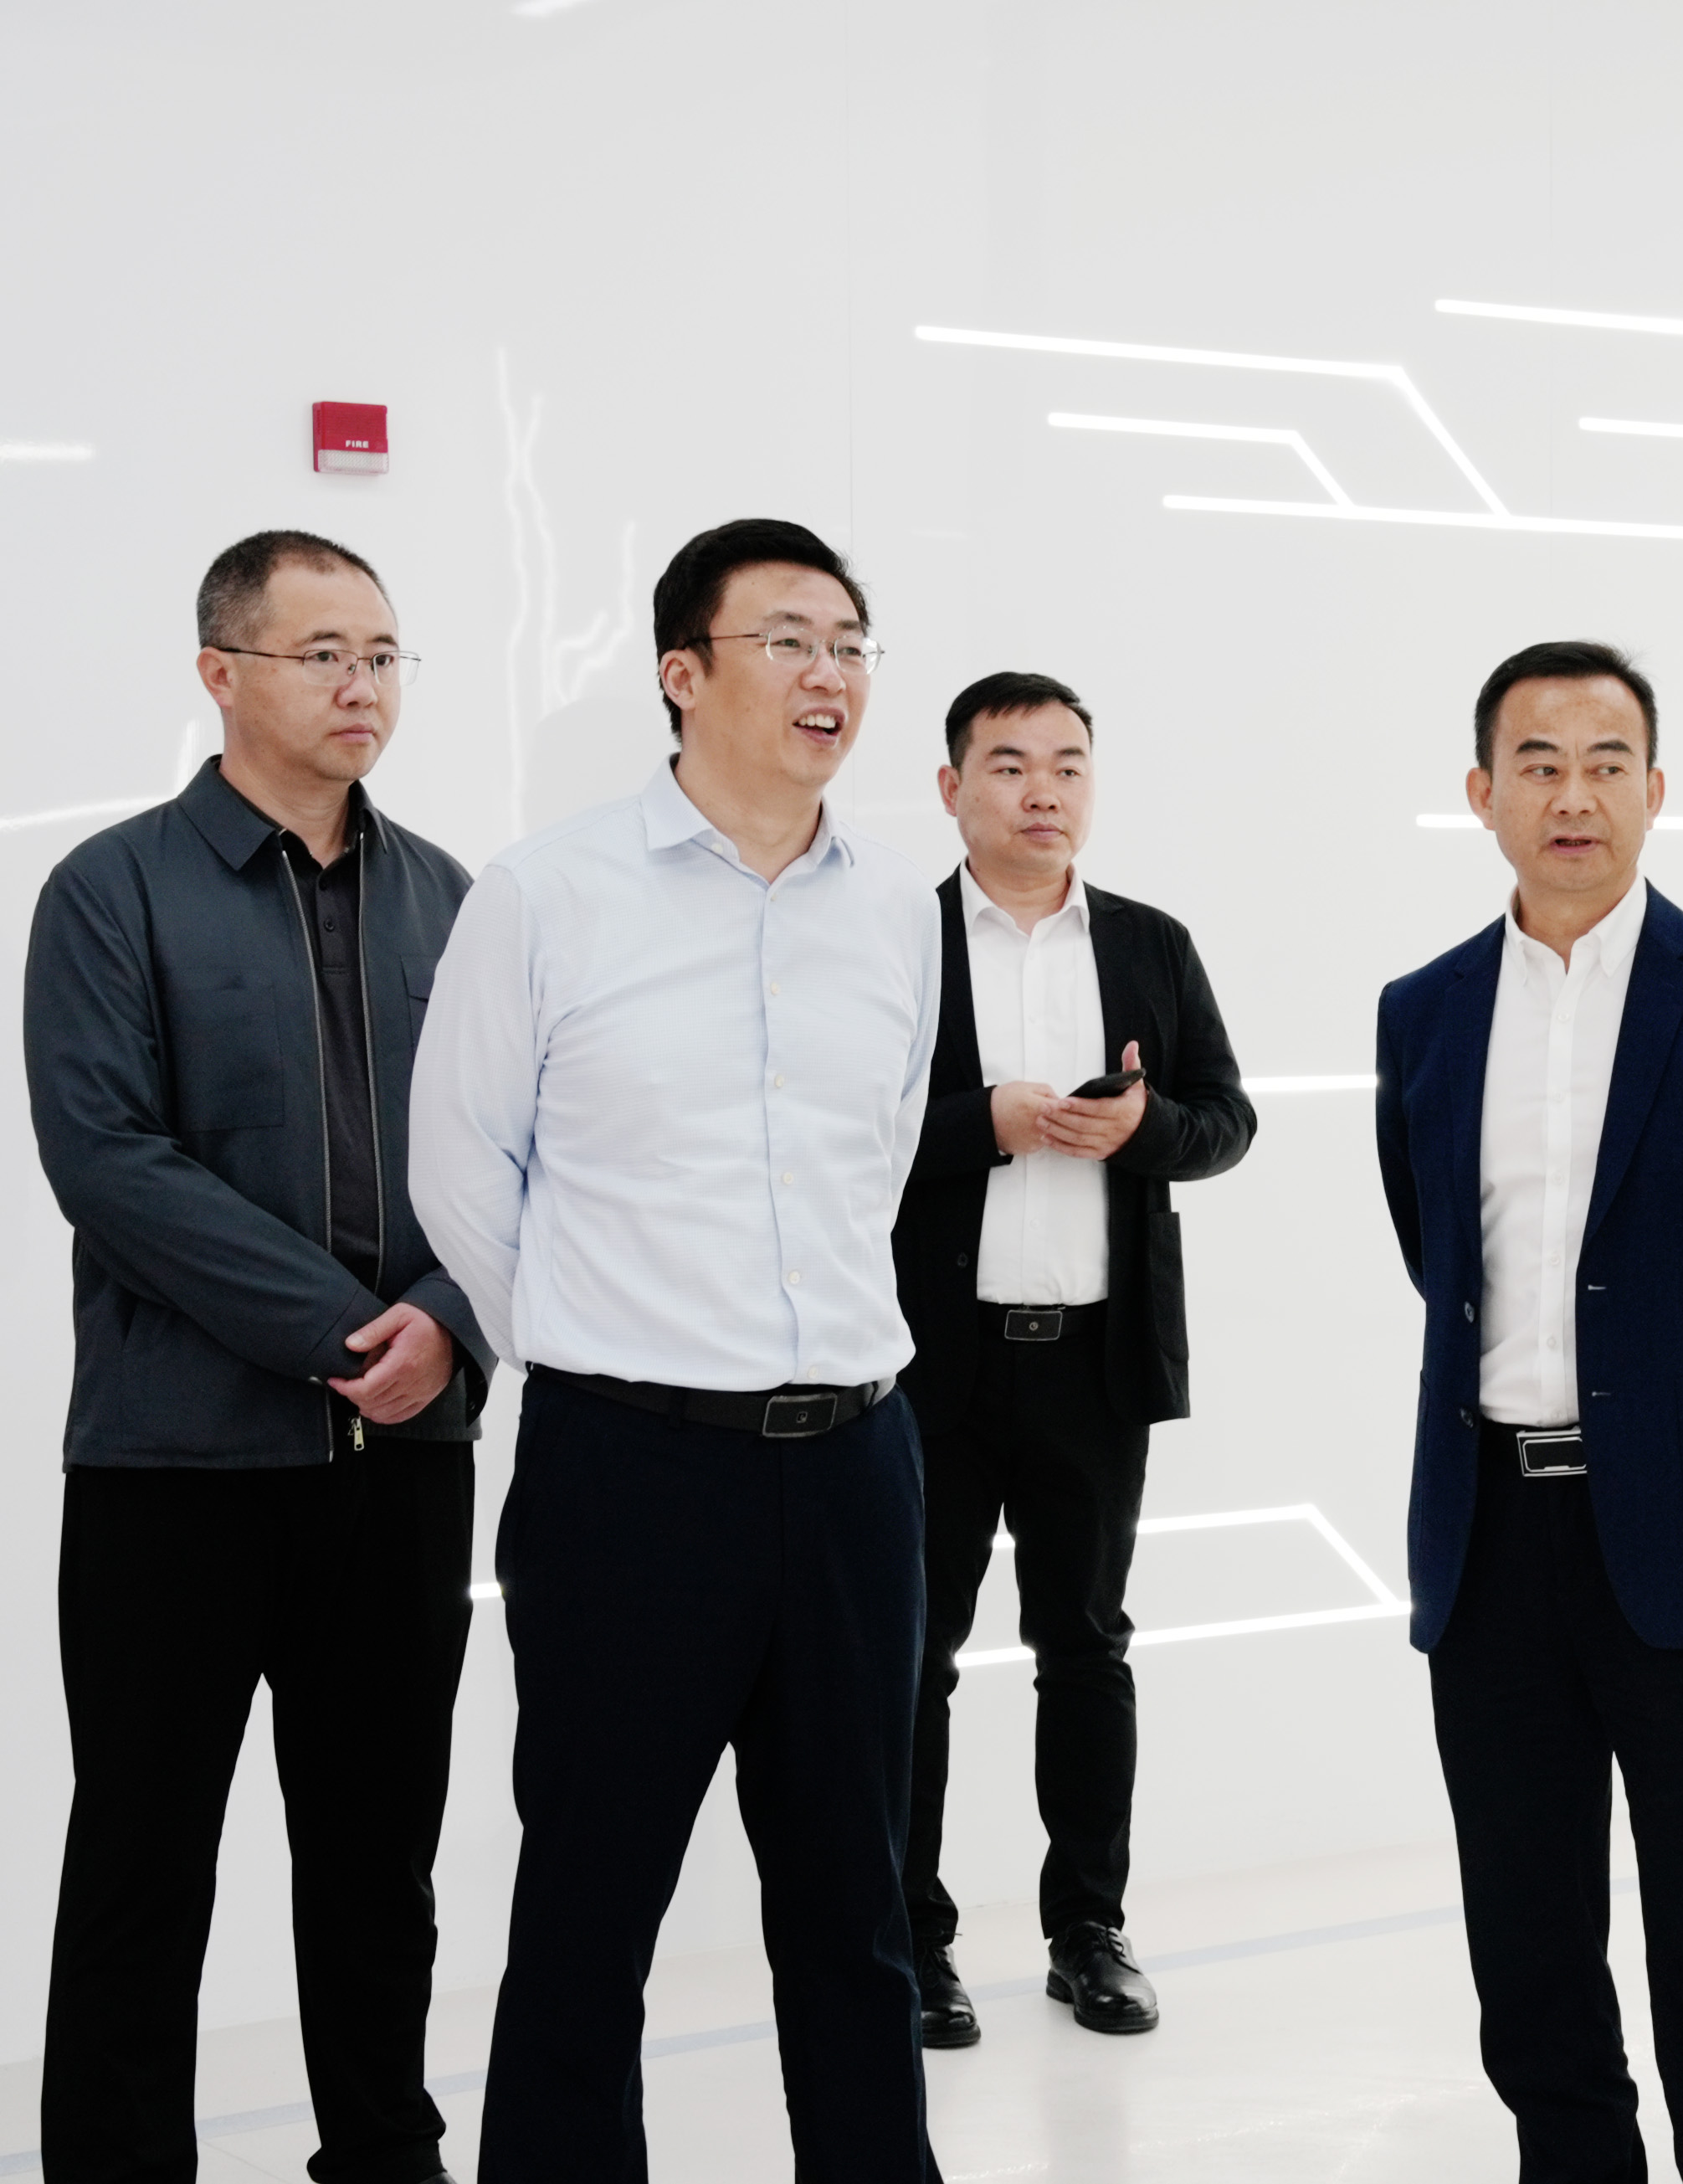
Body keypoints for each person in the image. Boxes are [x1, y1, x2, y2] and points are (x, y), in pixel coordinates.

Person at [409, 518, 944, 2184]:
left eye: (849, 643)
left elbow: (882, 1158)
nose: (828, 673)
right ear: (682, 673)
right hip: (629, 1475)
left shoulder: (898, 911)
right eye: (787, 639)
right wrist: (608, 1349)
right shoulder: (546, 894)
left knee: (856, 1910)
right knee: (590, 1906)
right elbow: (462, 1171)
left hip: (856, 1467)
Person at [28, 530, 488, 2184]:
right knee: (144, 1863)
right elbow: (109, 1161)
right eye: (323, 653)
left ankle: (383, 2154)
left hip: (405, 1468)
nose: (362, 684)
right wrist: (351, 1333)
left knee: (380, 1864)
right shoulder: (112, 891)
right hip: (177, 1468)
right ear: (221, 673)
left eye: (383, 653)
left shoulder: (454, 900)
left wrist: (451, 1318)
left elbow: (517, 1153)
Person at [1373, 640, 1683, 2184]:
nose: (1572, 795)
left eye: (1604, 764)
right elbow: (1436, 1250)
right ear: (1482, 792)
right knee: (1528, 1948)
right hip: (1491, 1534)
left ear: (1656, 790)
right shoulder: (1425, 1011)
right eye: (1538, 763)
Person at [892, 671, 1255, 2047]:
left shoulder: (1151, 943)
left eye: (1066, 765)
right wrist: (981, 1123)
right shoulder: (898, 941)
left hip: (1094, 1364)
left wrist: (1145, 1129)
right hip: (930, 1366)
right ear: (952, 788)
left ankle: (1088, 1930)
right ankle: (910, 1937)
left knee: (1087, 1646)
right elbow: (837, 1130)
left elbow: (1227, 1120)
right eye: (1008, 765)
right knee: (910, 1655)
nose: (1041, 791)